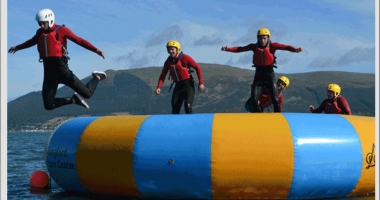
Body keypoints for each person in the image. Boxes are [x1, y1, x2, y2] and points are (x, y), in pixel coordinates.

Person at [8, 8, 106, 110]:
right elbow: (31, 41)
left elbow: (79, 40)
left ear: (50, 20)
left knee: (87, 94)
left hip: (62, 69)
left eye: (43, 23)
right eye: (39, 23)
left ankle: (97, 77)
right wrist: (17, 47)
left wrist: (96, 50)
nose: (41, 26)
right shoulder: (39, 32)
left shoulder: (62, 30)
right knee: (49, 105)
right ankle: (73, 100)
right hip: (49, 71)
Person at [221, 28, 303, 113]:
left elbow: (285, 47)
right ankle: (258, 118)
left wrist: (295, 50)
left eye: (264, 38)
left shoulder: (273, 45)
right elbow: (240, 49)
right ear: (257, 38)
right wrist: (228, 49)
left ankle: (277, 120)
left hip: (269, 75)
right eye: (260, 38)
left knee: (275, 99)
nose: (262, 40)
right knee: (254, 100)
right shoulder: (254, 47)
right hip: (259, 75)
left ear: (268, 38)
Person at [156, 40, 205, 114]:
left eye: (172, 49)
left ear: (177, 49)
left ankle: (190, 124)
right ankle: (175, 125)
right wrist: (159, 87)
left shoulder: (185, 58)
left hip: (188, 85)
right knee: (175, 110)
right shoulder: (168, 62)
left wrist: (201, 83)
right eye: (169, 49)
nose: (170, 51)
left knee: (187, 108)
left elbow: (197, 68)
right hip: (178, 87)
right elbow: (163, 75)